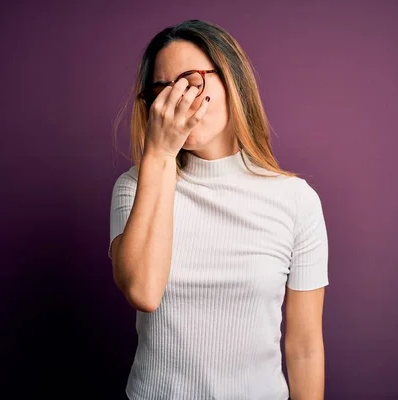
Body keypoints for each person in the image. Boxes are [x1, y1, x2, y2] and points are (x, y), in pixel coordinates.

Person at [109, 19, 329, 400]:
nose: (177, 102)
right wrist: (160, 155)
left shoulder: (297, 200)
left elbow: (304, 347)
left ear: (232, 83)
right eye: (162, 90)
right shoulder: (133, 188)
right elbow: (144, 291)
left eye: (191, 82)